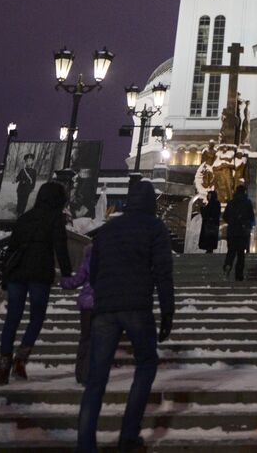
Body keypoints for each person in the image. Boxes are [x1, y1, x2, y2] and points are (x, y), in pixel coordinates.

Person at [76, 179, 174, 453]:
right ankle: (128, 436)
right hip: (136, 307)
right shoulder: (155, 227)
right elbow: (163, 272)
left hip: (105, 310)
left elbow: (93, 272)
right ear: (151, 203)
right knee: (146, 364)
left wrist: (105, 294)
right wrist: (168, 312)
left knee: (96, 378)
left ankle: (85, 445)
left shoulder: (107, 230)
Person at [0, 181, 73, 385]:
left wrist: (5, 277)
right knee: (36, 318)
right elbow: (60, 246)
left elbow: (12, 248)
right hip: (39, 273)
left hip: (17, 273)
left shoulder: (25, 218)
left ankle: (3, 367)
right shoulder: (56, 217)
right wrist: (67, 273)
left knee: (12, 319)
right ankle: (20, 360)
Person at [60, 242, 96, 384]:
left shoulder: (88, 260)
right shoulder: (108, 260)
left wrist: (63, 281)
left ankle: (80, 373)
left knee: (85, 338)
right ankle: (89, 373)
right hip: (102, 304)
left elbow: (76, 281)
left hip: (87, 304)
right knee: (95, 340)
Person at [222, 187, 255, 281]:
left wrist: (232, 222)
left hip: (232, 232)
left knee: (231, 252)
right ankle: (239, 275)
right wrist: (246, 224)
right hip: (242, 233)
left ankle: (227, 265)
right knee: (241, 255)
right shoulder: (247, 203)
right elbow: (251, 217)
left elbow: (225, 217)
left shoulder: (231, 202)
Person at [14, 153, 37, 217]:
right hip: (20, 188)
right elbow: (18, 177)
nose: (28, 162)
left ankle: (21, 212)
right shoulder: (22, 170)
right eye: (27, 161)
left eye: (30, 161)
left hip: (27, 189)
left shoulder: (34, 171)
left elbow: (34, 181)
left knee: (24, 201)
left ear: (32, 162)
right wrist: (15, 180)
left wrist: (32, 188)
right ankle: (18, 211)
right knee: (19, 200)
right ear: (25, 162)